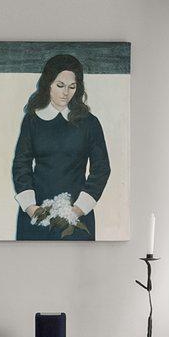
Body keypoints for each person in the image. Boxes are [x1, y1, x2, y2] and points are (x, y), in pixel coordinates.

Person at [12, 53, 111, 241]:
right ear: (48, 83)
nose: (66, 92)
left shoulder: (89, 123)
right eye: (60, 85)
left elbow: (101, 169)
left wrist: (78, 209)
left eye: (72, 87)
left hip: (76, 214)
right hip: (36, 212)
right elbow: (21, 164)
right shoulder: (32, 120)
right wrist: (31, 208)